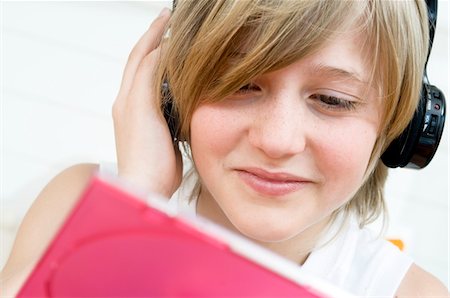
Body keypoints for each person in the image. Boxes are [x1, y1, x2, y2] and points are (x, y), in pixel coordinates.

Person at [1, 0, 449, 296]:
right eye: (240, 85)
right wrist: (138, 198)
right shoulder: (79, 202)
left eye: (332, 100)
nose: (277, 140)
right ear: (170, 93)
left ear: (401, 126)